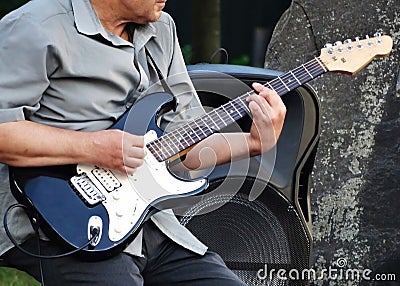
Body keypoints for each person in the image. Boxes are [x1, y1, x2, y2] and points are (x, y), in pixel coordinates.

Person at [0, 0, 286, 285]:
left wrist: (252, 142)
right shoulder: (35, 26)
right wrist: (93, 147)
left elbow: (185, 147)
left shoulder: (162, 28)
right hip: (55, 222)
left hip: (150, 221)